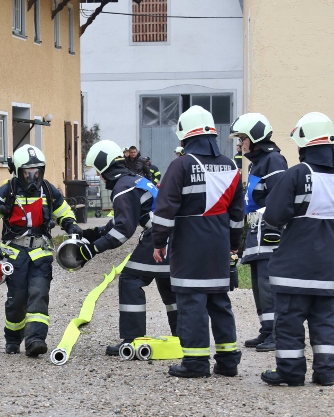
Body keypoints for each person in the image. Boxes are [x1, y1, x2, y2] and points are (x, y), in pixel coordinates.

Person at [152, 105, 244, 379]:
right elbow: (237, 214)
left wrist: (159, 241)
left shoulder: (181, 165)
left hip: (189, 246)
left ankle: (195, 363)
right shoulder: (231, 166)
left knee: (192, 303)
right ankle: (228, 362)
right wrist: (233, 244)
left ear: (184, 134)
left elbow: (165, 208)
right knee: (219, 302)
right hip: (219, 246)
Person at [0, 144, 81, 357]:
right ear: (18, 172)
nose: (33, 177)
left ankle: (35, 339)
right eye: (27, 173)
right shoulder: (7, 191)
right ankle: (13, 338)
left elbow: (64, 212)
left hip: (40, 253)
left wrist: (71, 226)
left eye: (37, 172)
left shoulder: (48, 190)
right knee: (17, 300)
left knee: (39, 293)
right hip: (14, 254)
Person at [82, 140, 177, 355]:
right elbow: (124, 218)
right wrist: (94, 233)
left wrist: (92, 250)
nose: (99, 176)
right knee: (168, 283)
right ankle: (183, 337)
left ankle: (131, 341)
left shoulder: (122, 187)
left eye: (98, 170)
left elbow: (123, 231)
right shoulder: (133, 180)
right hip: (174, 235)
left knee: (130, 279)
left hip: (158, 236)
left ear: (105, 167)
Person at [261, 112, 334, 387]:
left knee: (290, 321)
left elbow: (274, 215)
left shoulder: (298, 173)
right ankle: (327, 372)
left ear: (304, 143)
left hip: (294, 269)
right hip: (329, 270)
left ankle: (290, 372)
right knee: (326, 322)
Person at [229, 114, 288, 351]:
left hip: (270, 232)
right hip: (257, 232)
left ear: (255, 138)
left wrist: (272, 227)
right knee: (258, 284)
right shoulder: (258, 162)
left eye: (242, 138)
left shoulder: (273, 160)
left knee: (268, 284)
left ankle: (277, 333)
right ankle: (266, 329)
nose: (240, 144)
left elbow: (280, 197)